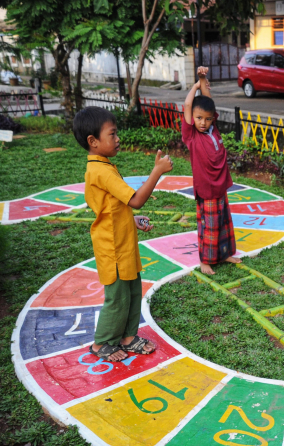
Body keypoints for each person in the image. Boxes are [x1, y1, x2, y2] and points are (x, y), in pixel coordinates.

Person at [73, 106, 173, 362]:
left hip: (123, 241)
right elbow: (137, 199)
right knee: (117, 298)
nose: (118, 139)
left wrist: (131, 220)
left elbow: (115, 207)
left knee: (132, 291)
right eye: (112, 134)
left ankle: (128, 337)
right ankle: (102, 343)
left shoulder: (103, 165)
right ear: (93, 142)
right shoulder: (101, 171)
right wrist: (157, 171)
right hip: (113, 247)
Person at [182, 66, 242, 275]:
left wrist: (203, 79)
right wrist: (197, 84)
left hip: (220, 187)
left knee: (224, 223)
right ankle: (205, 261)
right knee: (209, 226)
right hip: (206, 190)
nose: (203, 122)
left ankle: (224, 253)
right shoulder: (191, 135)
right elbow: (189, 104)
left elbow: (209, 102)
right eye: (198, 118)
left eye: (207, 119)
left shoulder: (212, 130)